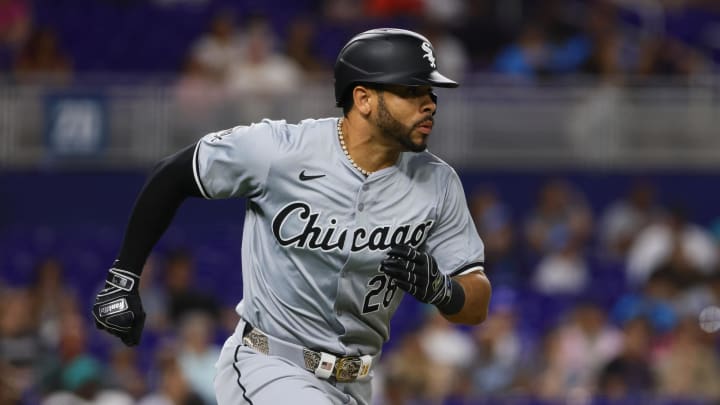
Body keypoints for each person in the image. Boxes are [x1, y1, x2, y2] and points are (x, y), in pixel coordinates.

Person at [91, 28, 491, 405]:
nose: (430, 103)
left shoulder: (438, 184)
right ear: (364, 98)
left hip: (357, 383)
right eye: (412, 90)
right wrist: (123, 277)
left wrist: (443, 290)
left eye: (431, 92)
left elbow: (477, 300)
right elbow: (173, 174)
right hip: (269, 365)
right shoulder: (281, 151)